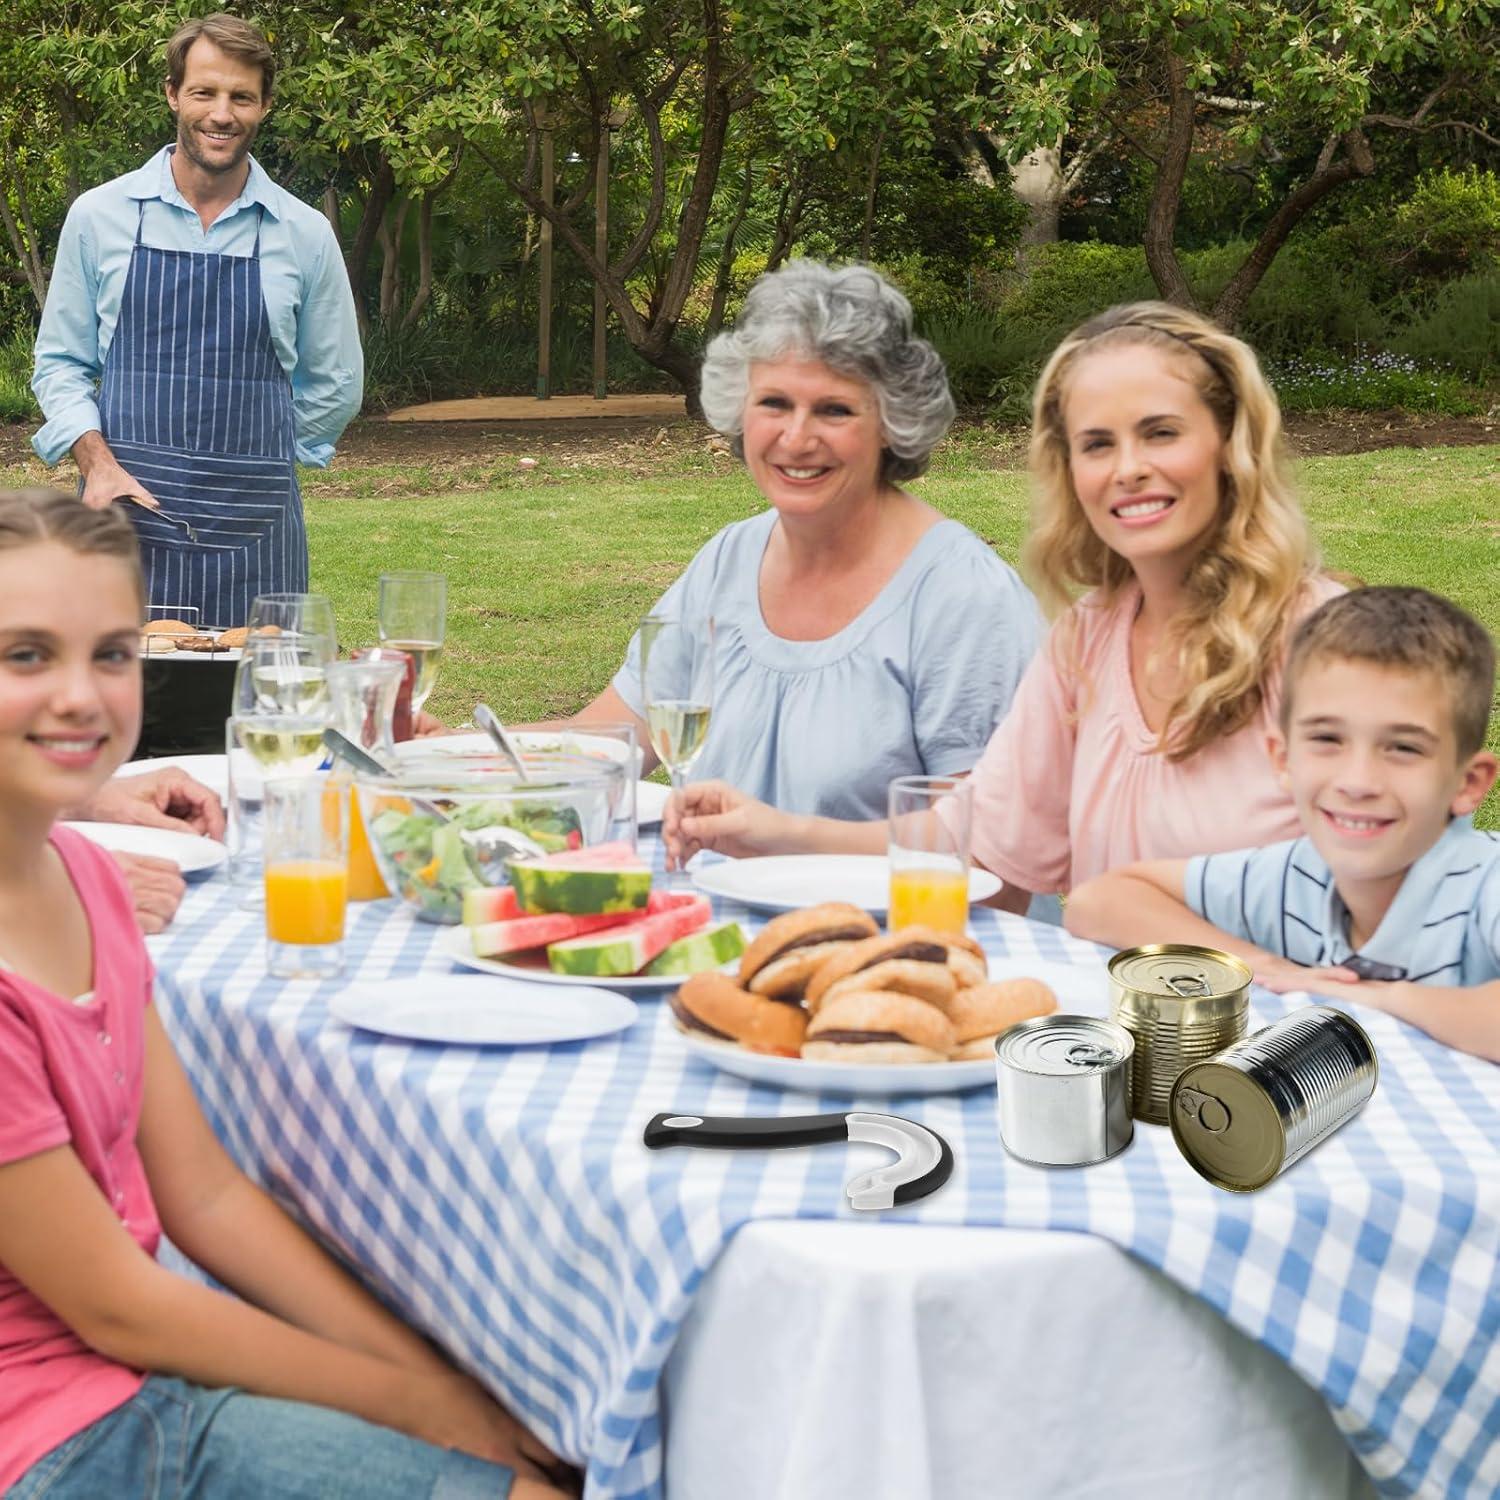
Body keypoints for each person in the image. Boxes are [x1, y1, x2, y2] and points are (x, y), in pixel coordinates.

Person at [0, 491, 570, 1500]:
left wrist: (437, 1381)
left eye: (115, 653)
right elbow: (120, 1308)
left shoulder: (88, 884)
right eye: (27, 655)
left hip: (123, 1373)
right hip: (56, 1439)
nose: (81, 695)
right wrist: (423, 1409)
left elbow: (207, 1194)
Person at [667, 301, 1344, 906]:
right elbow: (976, 835)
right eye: (1098, 444)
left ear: (1230, 446)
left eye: (1161, 432)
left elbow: (1399, 897)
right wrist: (778, 832)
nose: (1128, 467)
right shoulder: (1086, 643)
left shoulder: (1325, 644)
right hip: (1113, 1030)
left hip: (1293, 1035)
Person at [574, 260, 1042, 821]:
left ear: (893, 422)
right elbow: (609, 739)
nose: (797, 438)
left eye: (834, 410)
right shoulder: (728, 559)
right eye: (774, 403)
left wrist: (782, 839)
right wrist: (456, 753)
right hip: (724, 907)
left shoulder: (964, 597)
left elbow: (988, 851)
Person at [1066, 588, 1500, 1061]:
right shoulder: (1293, 875)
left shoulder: (1484, 882)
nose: (1358, 782)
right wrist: (1263, 966)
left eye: (1404, 748)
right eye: (1327, 738)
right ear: (1283, 758)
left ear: (1468, 782)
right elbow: (1097, 902)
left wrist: (1373, 999)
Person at [30, 13, 361, 629]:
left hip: (257, 537)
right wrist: (97, 465)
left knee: (259, 717)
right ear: (172, 94)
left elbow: (336, 381)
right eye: (205, 92)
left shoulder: (304, 234)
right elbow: (60, 364)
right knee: (121, 717)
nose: (222, 113)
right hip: (123, 525)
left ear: (263, 107)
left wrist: (260, 461)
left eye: (242, 96)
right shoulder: (99, 216)